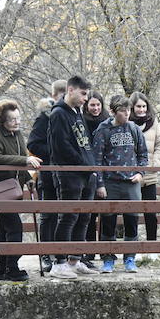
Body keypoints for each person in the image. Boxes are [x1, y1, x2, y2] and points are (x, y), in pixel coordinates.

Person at [47, 75, 101, 280]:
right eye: (83, 94)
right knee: (68, 216)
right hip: (69, 174)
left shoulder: (77, 112)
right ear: (71, 90)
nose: (85, 99)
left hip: (86, 173)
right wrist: (83, 165)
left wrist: (91, 168)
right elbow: (61, 147)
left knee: (84, 217)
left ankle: (74, 260)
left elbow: (85, 143)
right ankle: (59, 263)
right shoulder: (58, 114)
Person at [0, 99, 41, 281]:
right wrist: (25, 161)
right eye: (12, 119)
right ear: (2, 120)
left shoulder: (17, 134)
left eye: (18, 118)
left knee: (4, 229)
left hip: (15, 188)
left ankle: (2, 269)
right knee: (15, 227)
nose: (17, 122)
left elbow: (21, 158)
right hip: (1, 189)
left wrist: (28, 179)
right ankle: (12, 268)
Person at [92, 96, 148, 273]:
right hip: (110, 182)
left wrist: (140, 173)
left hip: (131, 182)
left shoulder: (133, 128)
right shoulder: (103, 130)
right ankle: (108, 259)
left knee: (132, 221)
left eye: (128, 111)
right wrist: (100, 184)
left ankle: (130, 258)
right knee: (108, 222)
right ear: (113, 112)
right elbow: (97, 160)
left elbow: (143, 154)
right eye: (123, 111)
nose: (127, 114)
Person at [27, 79, 66, 274]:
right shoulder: (45, 117)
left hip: (67, 176)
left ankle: (63, 254)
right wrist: (55, 152)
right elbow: (33, 144)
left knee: (66, 215)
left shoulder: (71, 115)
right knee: (47, 215)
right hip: (49, 174)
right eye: (61, 95)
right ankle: (45, 254)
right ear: (54, 96)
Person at [130, 91, 160, 258]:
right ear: (132, 107)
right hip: (132, 175)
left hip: (150, 174)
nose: (141, 109)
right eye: (138, 106)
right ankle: (134, 249)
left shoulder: (154, 123)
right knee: (132, 213)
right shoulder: (127, 123)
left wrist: (156, 162)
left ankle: (152, 248)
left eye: (144, 106)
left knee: (151, 213)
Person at [80, 92, 109, 269]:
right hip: (88, 170)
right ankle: (89, 251)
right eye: (92, 105)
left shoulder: (107, 121)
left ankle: (105, 250)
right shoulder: (82, 121)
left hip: (105, 170)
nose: (96, 108)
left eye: (98, 105)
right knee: (89, 215)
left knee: (106, 213)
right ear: (86, 106)